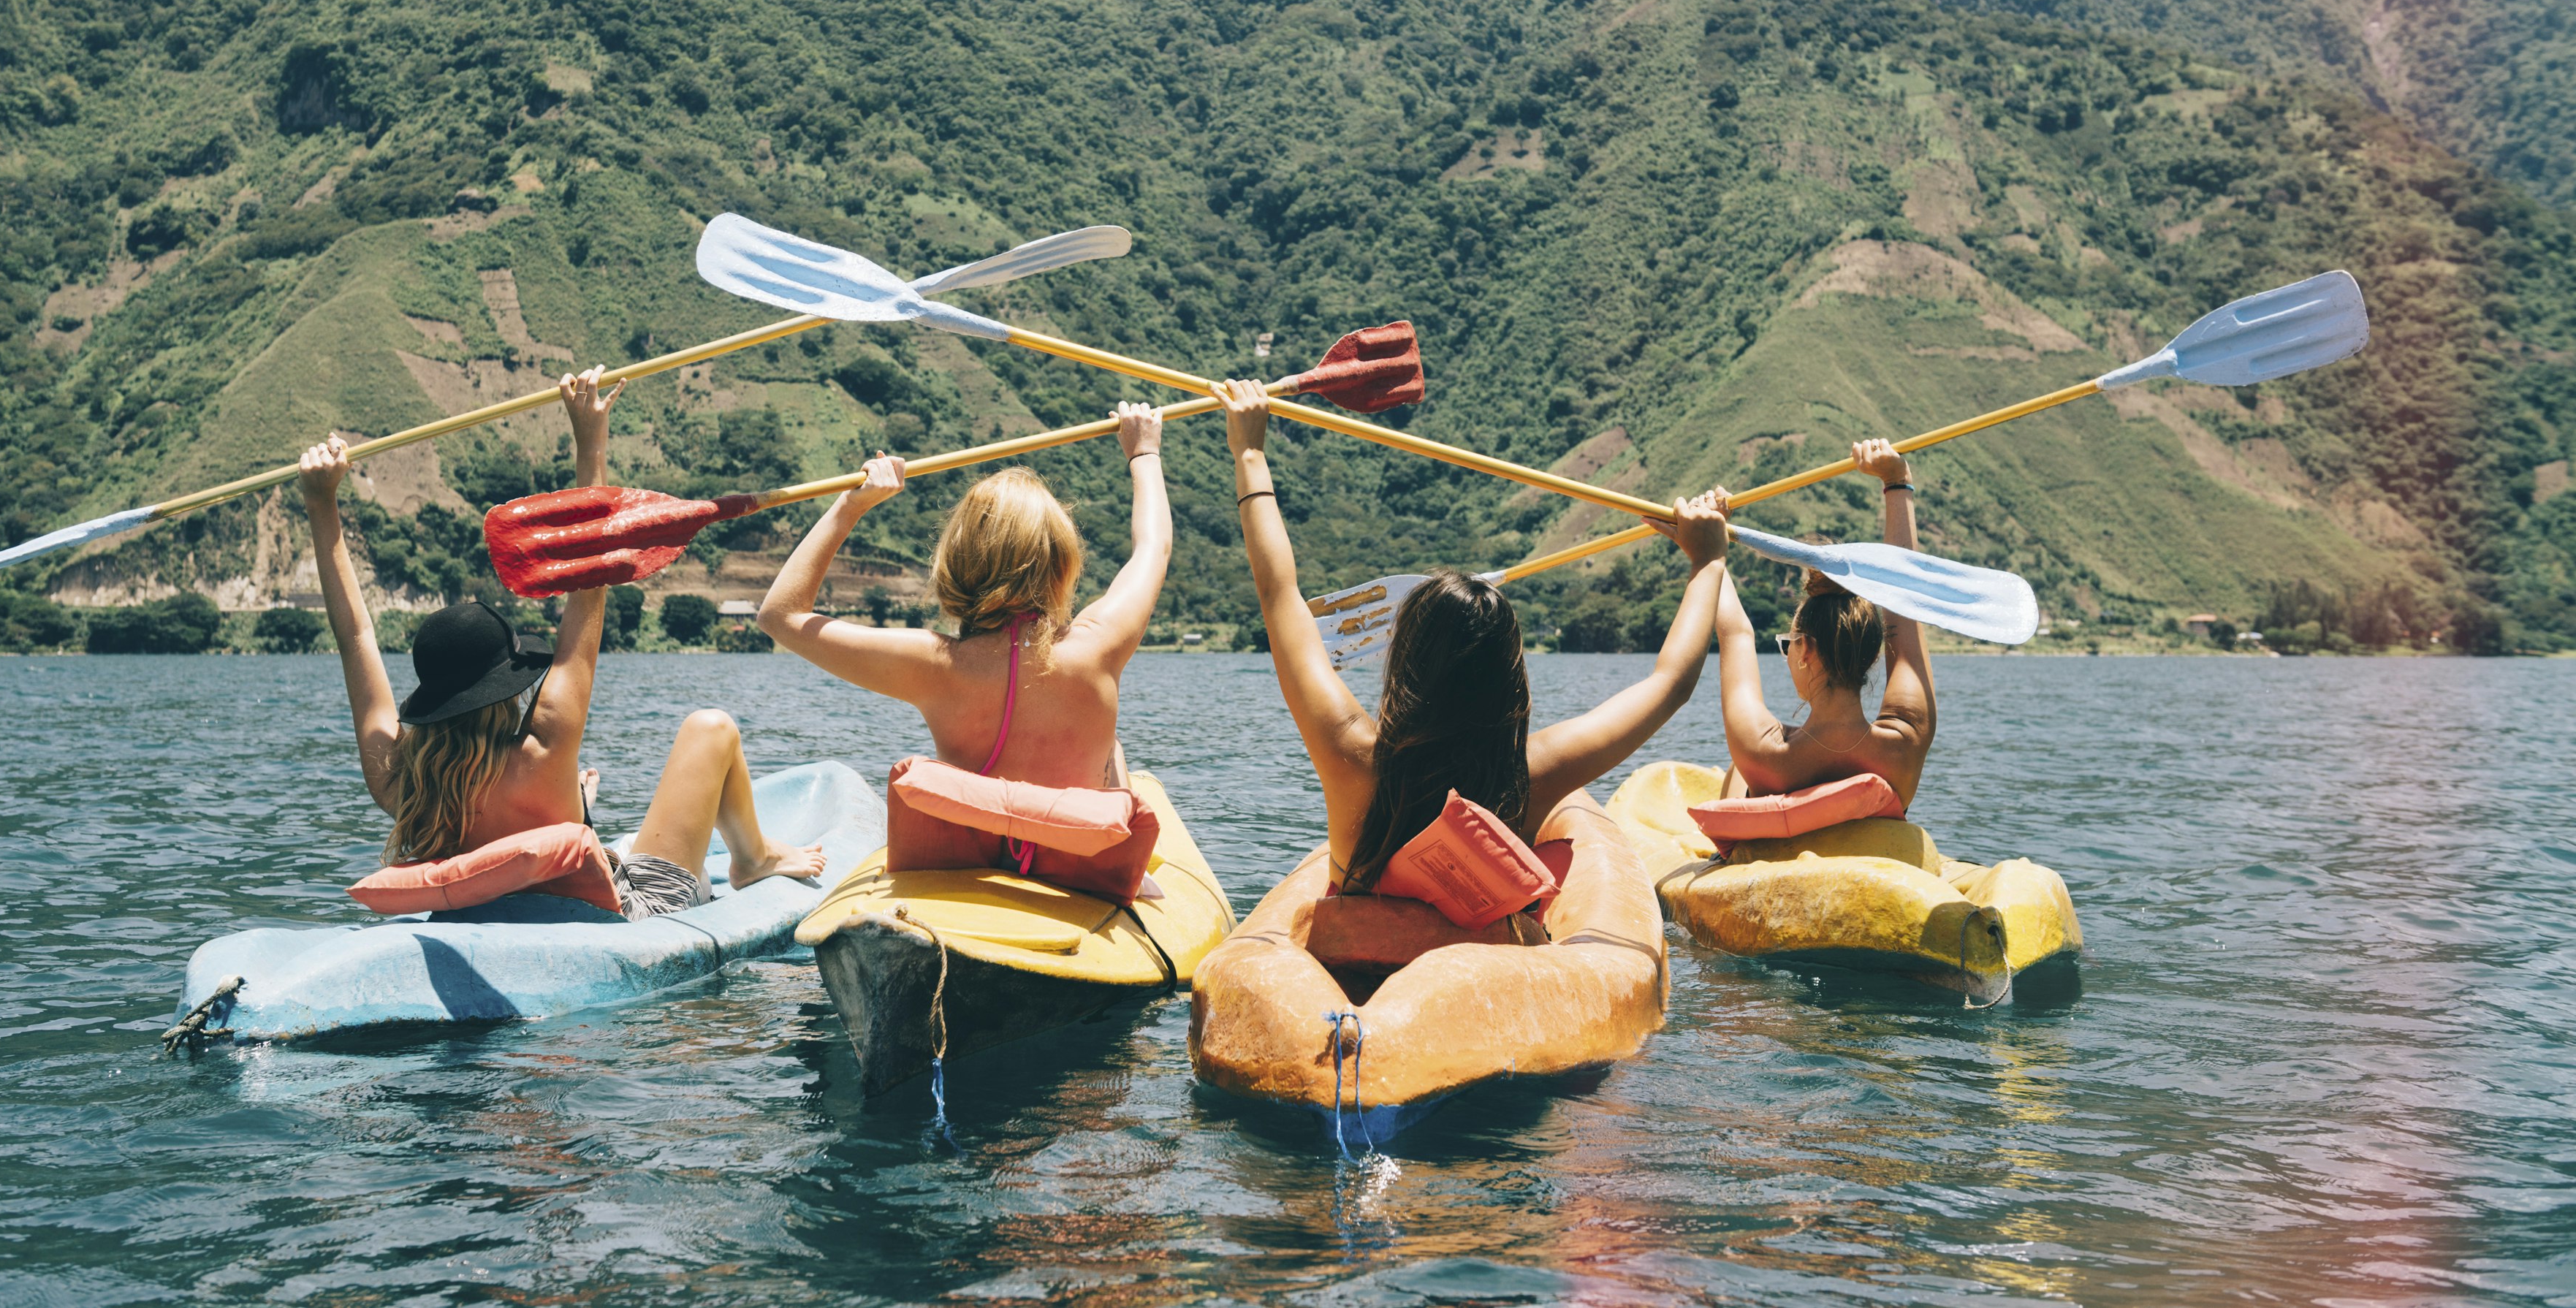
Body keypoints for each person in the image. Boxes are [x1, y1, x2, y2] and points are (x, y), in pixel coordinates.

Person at [296, 365, 823, 918]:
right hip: (631, 911)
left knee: (587, 802)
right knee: (709, 728)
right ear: (503, 687)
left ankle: (596, 817)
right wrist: (590, 438)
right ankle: (753, 858)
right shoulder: (545, 745)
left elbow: (354, 635)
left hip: (511, 903)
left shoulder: (401, 780)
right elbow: (590, 568)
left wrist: (320, 501)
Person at [1215, 379, 1736, 891]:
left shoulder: (1349, 752)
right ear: (1510, 680)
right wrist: (1707, 562)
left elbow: (1279, 594)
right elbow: (1670, 684)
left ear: (1405, 662)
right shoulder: (1531, 775)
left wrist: (1250, 453)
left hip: (1355, 972)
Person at [757, 404, 1169, 793]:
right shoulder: (1100, 641)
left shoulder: (934, 664)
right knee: (1111, 748)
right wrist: (1144, 453)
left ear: (957, 562)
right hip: (1079, 860)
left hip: (983, 856)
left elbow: (780, 616)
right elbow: (1153, 547)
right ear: (1062, 564)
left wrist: (852, 504)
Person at [1713, 438, 1937, 809]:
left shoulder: (1762, 752)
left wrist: (1708, 547)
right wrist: (1898, 481)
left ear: (1807, 650)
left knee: (1738, 772)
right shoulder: (1908, 740)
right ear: (1870, 652)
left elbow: (1737, 635)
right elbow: (1903, 593)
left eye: (1789, 643)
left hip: (1766, 816)